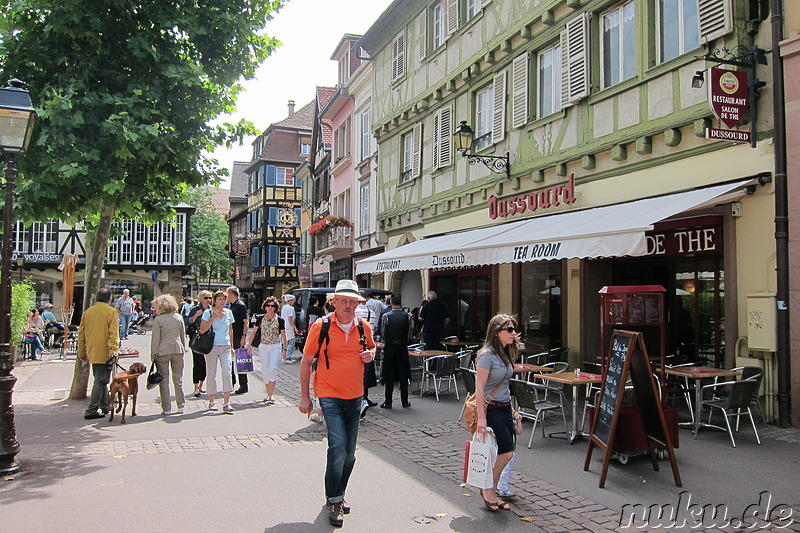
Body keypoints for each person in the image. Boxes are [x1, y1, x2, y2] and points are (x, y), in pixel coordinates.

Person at [299, 279, 376, 527]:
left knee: (350, 454)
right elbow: (306, 361)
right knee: (339, 447)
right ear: (333, 302)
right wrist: (305, 396)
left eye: (352, 301)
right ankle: (334, 500)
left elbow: (373, 349)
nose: (348, 305)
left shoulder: (364, 327)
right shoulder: (321, 327)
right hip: (329, 393)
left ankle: (338, 495)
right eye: (343, 300)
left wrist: (370, 354)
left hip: (355, 396)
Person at [474, 314, 519, 512]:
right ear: (496, 332)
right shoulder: (486, 356)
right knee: (506, 452)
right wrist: (482, 418)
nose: (513, 333)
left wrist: (513, 411)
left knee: (504, 452)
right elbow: (480, 388)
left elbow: (506, 384)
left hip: (505, 407)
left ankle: (489, 489)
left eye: (514, 329)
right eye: (508, 329)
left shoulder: (505, 352)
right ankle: (488, 489)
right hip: (491, 409)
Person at [79, 288, 120, 420]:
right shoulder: (111, 312)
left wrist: (82, 352)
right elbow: (113, 333)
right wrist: (114, 351)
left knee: (100, 379)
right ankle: (91, 409)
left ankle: (105, 406)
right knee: (101, 381)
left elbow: (81, 335)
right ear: (109, 298)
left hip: (92, 350)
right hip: (105, 352)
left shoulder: (88, 312)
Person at [150, 294, 188, 415]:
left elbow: (155, 338)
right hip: (177, 349)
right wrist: (183, 347)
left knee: (164, 380)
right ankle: (181, 405)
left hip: (163, 350)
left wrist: (153, 353)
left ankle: (166, 408)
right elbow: (182, 334)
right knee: (178, 379)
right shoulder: (178, 317)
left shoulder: (159, 319)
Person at [200, 290, 235, 413]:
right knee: (212, 373)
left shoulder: (229, 313)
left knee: (227, 373)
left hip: (225, 346)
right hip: (212, 346)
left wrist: (232, 346)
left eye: (224, 299)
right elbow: (202, 330)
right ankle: (211, 401)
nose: (222, 301)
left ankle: (226, 403)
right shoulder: (207, 312)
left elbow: (230, 330)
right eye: (220, 299)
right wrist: (212, 318)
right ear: (214, 301)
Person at [248, 296, 287, 404]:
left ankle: (271, 394)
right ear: (265, 307)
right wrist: (249, 345)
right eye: (268, 305)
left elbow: (284, 335)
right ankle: (268, 394)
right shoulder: (260, 318)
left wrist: (285, 349)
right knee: (265, 369)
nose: (270, 308)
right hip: (263, 346)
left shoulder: (280, 319)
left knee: (272, 368)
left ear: (276, 307)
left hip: (275, 346)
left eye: (272, 306)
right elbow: (254, 332)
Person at [379, 293, 412, 409]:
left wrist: (389, 340)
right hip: (402, 347)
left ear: (391, 303)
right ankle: (405, 400)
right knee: (403, 374)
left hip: (390, 347)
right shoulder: (407, 316)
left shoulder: (386, 316)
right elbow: (409, 334)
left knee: (389, 375)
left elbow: (383, 333)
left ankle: (388, 401)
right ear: (401, 302)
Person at [187, 290, 212, 397]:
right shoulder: (195, 309)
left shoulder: (212, 310)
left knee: (206, 364)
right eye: (206, 298)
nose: (208, 300)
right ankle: (196, 387)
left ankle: (202, 385)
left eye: (210, 298)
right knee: (197, 363)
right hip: (197, 339)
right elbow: (188, 321)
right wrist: (196, 316)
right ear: (201, 299)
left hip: (209, 338)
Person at [225, 286, 250, 394]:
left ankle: (243, 385)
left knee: (240, 361)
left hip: (238, 336)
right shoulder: (232, 305)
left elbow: (246, 321)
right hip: (232, 336)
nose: (226, 297)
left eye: (227, 294)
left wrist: (244, 336)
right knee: (231, 361)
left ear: (232, 294)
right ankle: (232, 382)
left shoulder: (240, 305)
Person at [281, 294, 299, 363]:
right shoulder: (290, 308)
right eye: (293, 300)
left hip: (284, 327)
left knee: (285, 342)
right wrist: (295, 327)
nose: (294, 302)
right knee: (291, 342)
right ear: (290, 300)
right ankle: (288, 357)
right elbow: (290, 318)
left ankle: (285, 356)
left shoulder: (284, 307)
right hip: (289, 327)